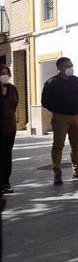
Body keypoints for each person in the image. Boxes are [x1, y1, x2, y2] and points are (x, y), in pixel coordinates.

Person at [41, 57, 78, 185]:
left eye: (71, 65)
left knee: (76, 145)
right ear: (60, 68)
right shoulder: (51, 83)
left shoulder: (76, 80)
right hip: (60, 117)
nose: (71, 68)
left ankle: (77, 170)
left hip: (76, 115)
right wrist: (57, 110)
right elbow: (45, 102)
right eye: (68, 66)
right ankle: (57, 174)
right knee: (58, 146)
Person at [0, 64, 18, 193]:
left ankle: (6, 182)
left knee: (7, 156)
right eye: (2, 73)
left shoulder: (12, 88)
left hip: (10, 128)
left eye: (7, 73)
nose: (5, 76)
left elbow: (14, 105)